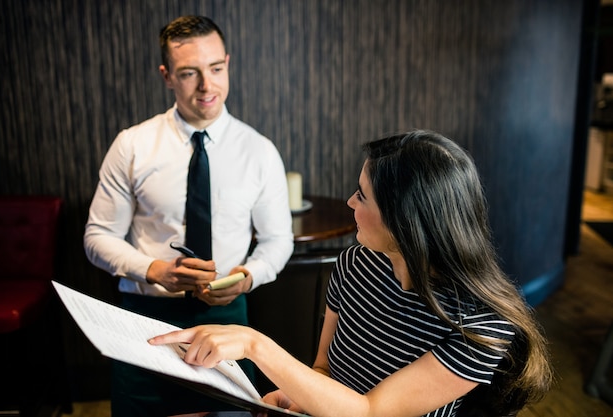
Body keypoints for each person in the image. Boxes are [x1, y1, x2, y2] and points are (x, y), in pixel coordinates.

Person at [149, 130, 553, 417]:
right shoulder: (356, 264)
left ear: (404, 220)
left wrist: (256, 345)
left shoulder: (480, 329)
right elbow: (325, 369)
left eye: (361, 194)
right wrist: (297, 399)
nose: (349, 201)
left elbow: (369, 410)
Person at [83, 15, 294, 417]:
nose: (207, 86)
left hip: (226, 316)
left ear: (228, 63)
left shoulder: (259, 151)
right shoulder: (132, 145)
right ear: (166, 76)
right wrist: (154, 269)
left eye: (216, 69)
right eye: (189, 73)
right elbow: (97, 237)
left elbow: (277, 241)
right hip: (145, 320)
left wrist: (248, 276)